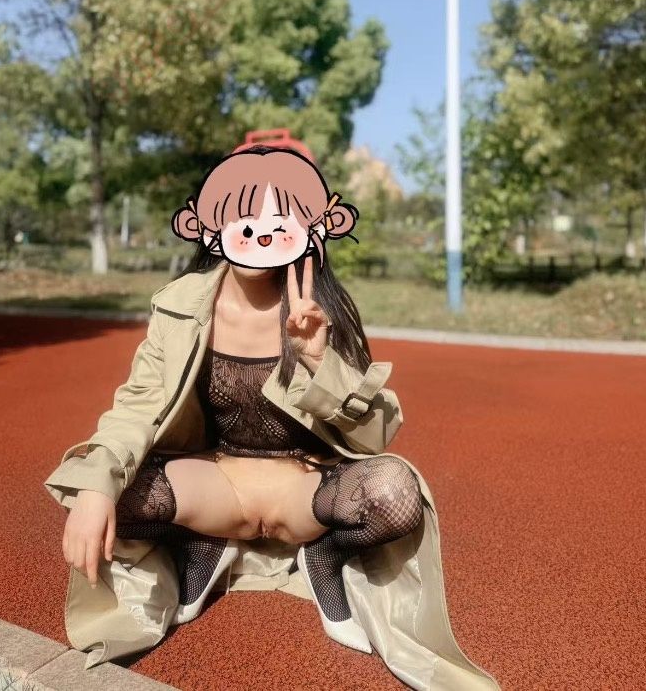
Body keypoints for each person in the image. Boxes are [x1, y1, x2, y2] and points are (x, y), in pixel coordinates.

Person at [62, 145, 423, 654]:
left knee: (395, 492)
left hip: (302, 489)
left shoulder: (322, 310)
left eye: (280, 223)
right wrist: (97, 486)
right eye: (245, 222)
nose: (262, 236)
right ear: (211, 228)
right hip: (214, 480)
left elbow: (376, 437)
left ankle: (324, 555)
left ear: (312, 229)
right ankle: (201, 542)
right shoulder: (180, 305)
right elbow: (139, 404)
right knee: (97, 487)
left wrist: (320, 361)